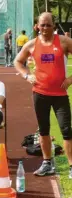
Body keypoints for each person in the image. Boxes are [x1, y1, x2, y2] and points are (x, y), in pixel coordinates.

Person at [14, 12, 72, 178]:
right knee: (44, 130)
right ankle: (47, 163)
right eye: (42, 25)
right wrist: (27, 75)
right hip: (40, 94)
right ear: (37, 26)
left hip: (60, 95)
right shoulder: (32, 45)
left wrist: (70, 79)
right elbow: (18, 61)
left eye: (48, 25)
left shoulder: (64, 41)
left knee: (66, 130)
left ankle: (71, 166)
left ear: (54, 25)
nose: (45, 28)